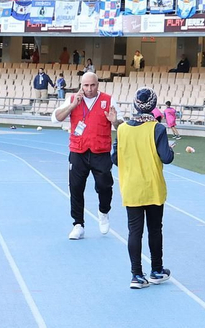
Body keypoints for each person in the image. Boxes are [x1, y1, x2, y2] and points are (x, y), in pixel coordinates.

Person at [115, 88, 174, 289]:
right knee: (155, 230)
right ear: (153, 105)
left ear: (135, 105)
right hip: (152, 186)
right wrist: (169, 149)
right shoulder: (157, 129)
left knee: (134, 231)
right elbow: (167, 157)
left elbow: (115, 158)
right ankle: (156, 270)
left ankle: (136, 274)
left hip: (131, 187)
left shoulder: (122, 129)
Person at [54, 70, 116, 240]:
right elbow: (56, 118)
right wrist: (72, 106)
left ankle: (103, 211)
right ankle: (78, 224)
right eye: (86, 85)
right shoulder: (73, 99)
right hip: (78, 150)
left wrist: (115, 121)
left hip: (100, 151)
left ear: (98, 85)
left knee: (105, 186)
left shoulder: (108, 100)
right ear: (81, 85)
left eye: (92, 85)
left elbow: (121, 125)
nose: (89, 89)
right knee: (75, 188)